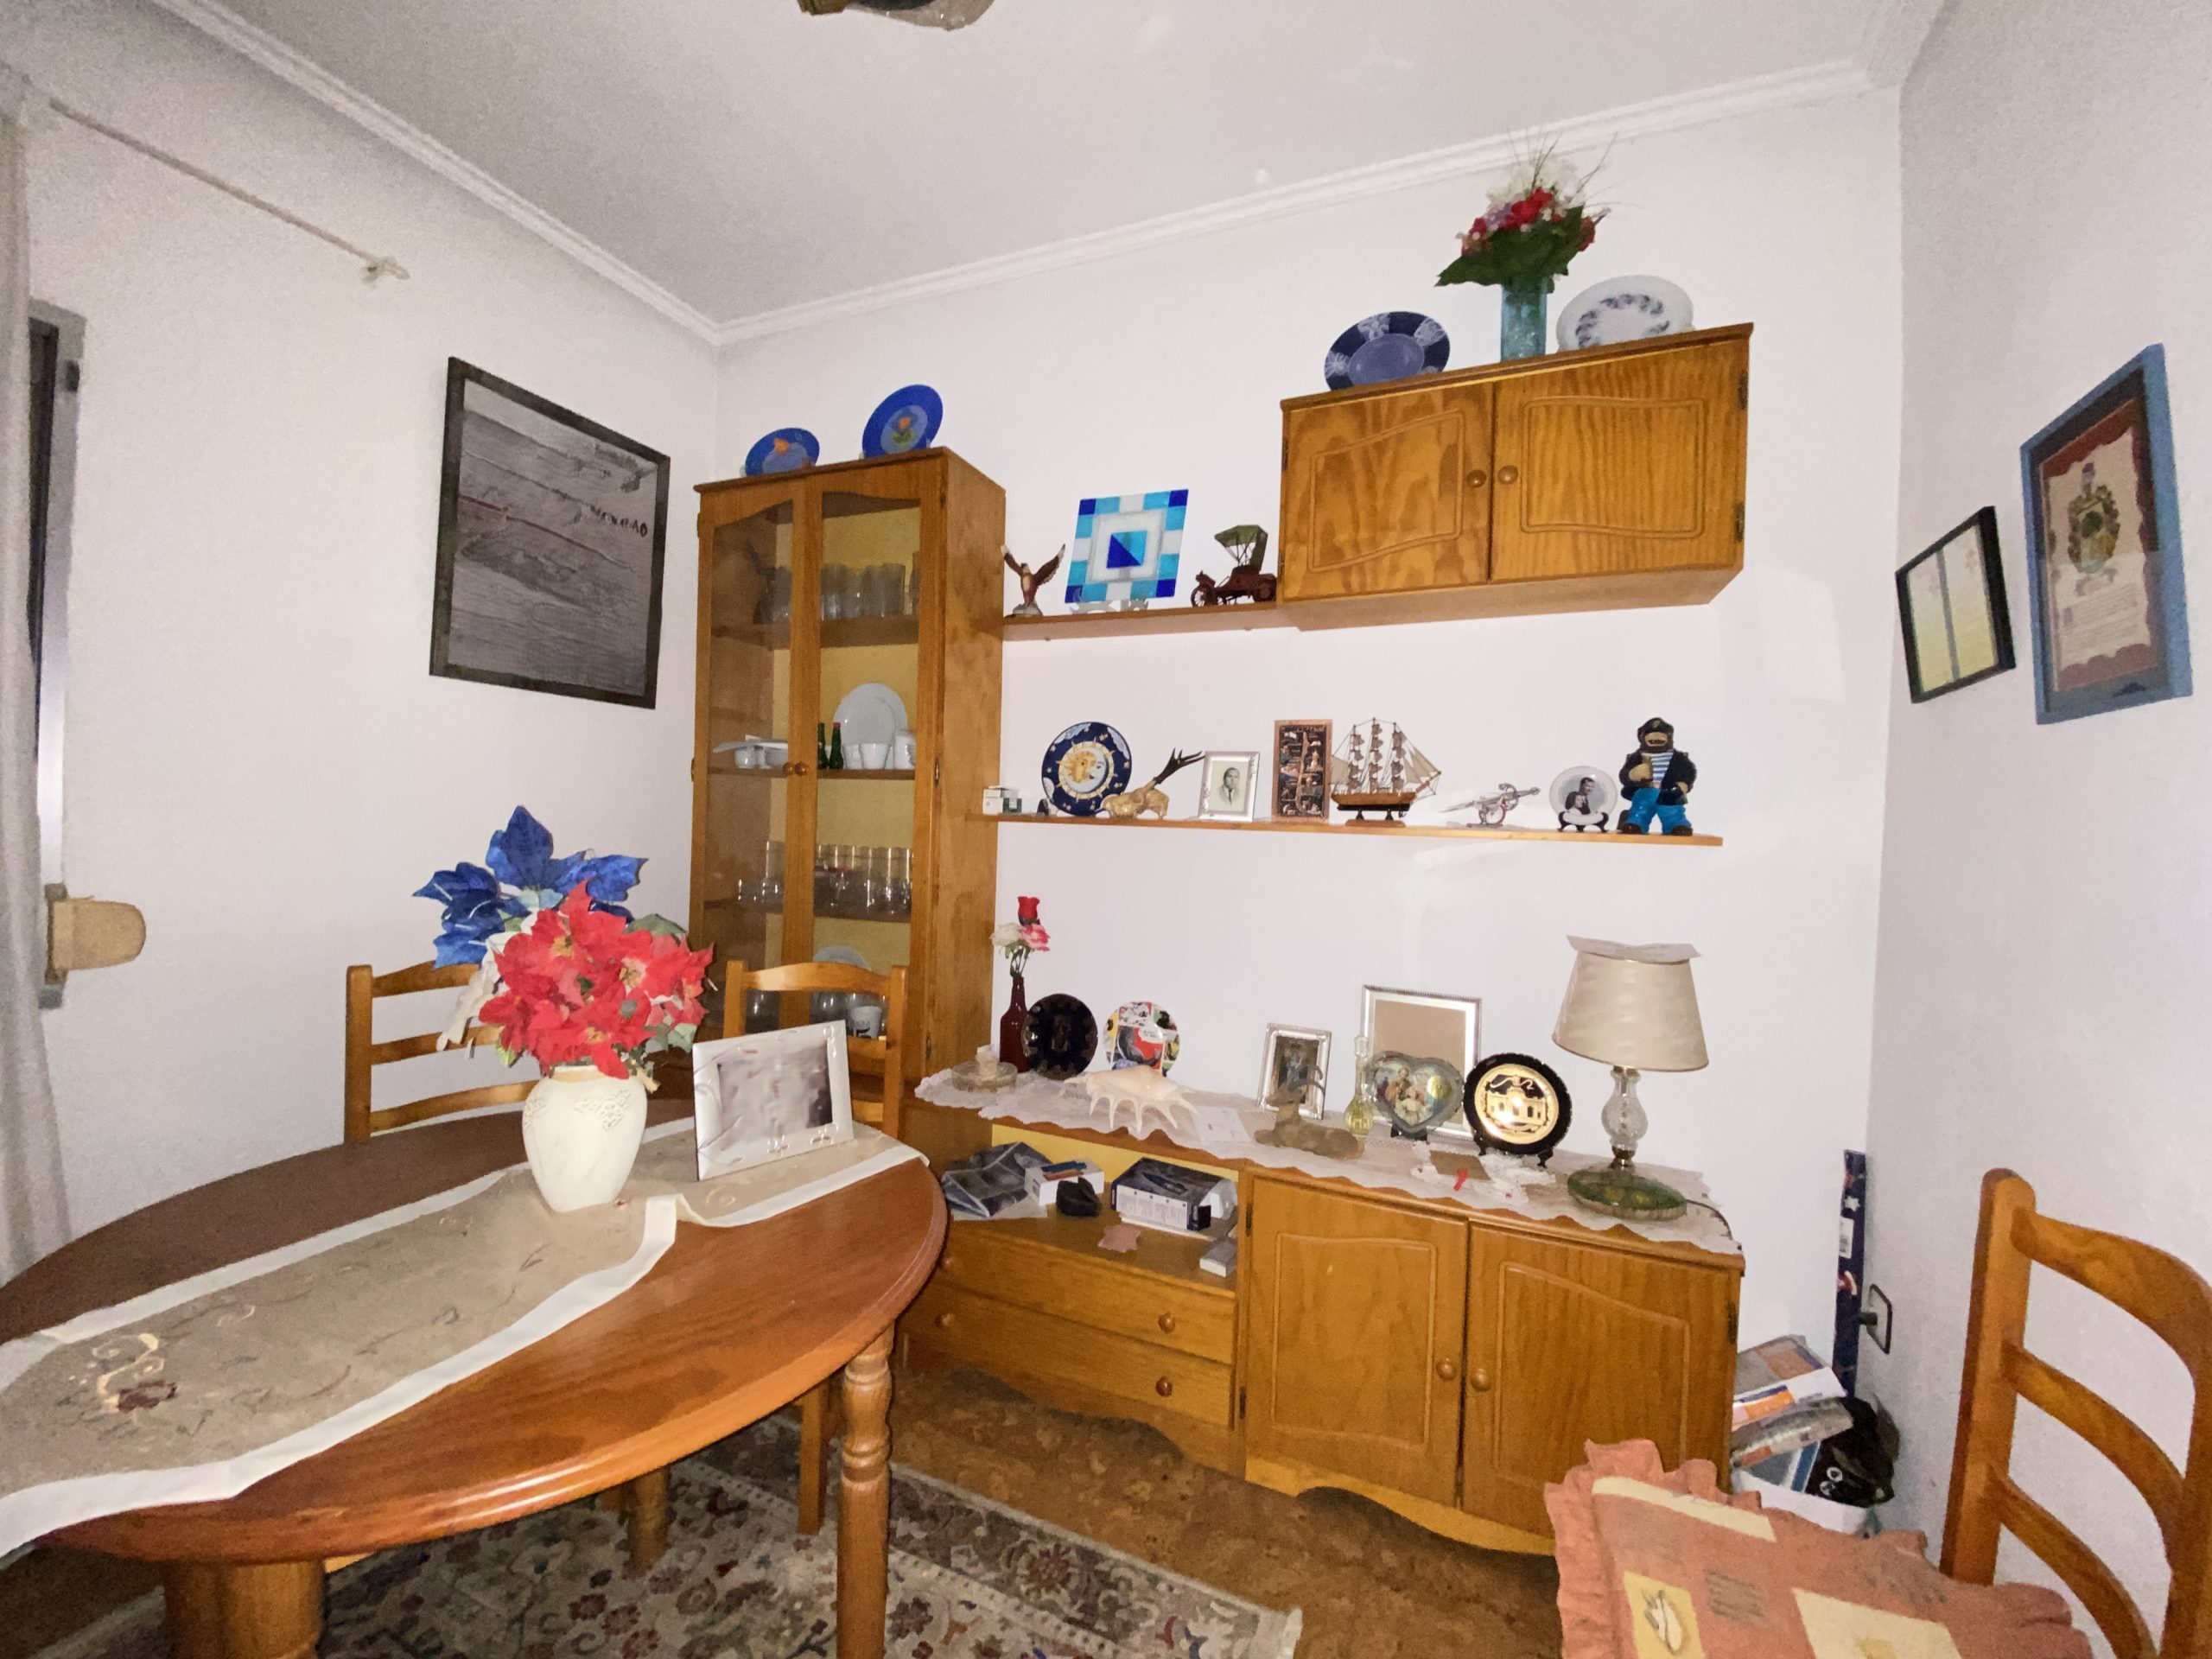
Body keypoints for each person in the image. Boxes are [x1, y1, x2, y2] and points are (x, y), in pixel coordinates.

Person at [1616, 717, 1698, 836]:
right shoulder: (1636, 757)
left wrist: (1685, 783)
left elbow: (1690, 771)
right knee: (1640, 809)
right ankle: (1636, 824)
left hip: (1670, 791)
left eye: (1661, 735)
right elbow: (1623, 775)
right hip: (1645, 791)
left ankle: (1676, 825)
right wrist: (1632, 774)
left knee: (1672, 812)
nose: (1657, 738)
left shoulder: (1679, 758)